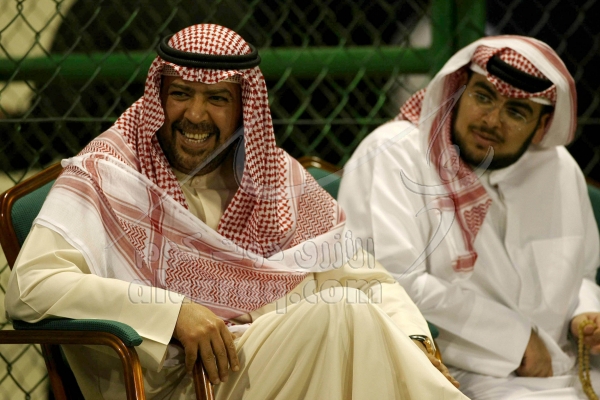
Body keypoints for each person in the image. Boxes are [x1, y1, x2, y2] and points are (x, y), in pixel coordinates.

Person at [4, 24, 468, 399]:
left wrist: (416, 342)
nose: (195, 115)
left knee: (350, 317)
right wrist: (172, 312)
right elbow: (31, 287)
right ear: (158, 97)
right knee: (341, 317)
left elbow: (362, 275)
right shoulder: (108, 173)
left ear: (245, 107)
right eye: (181, 93)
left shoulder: (272, 175)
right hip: (180, 380)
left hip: (271, 358)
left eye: (217, 99)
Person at [338, 35, 600, 399]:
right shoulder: (396, 154)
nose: (491, 120)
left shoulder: (559, 170)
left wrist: (585, 314)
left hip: (574, 365)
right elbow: (387, 281)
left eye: (516, 112)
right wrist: (515, 338)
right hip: (462, 374)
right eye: (483, 97)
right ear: (459, 89)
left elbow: (582, 272)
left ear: (541, 127)